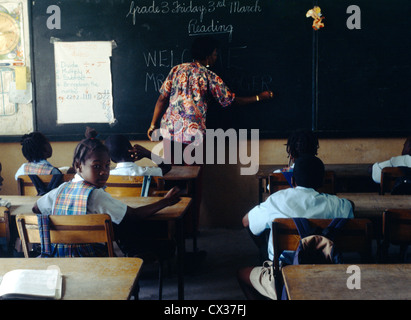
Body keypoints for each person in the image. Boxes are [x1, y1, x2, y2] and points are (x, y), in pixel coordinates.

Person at [32, 127, 181, 257]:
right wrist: (166, 201)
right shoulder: (95, 195)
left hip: (60, 258)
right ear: (78, 166)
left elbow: (36, 208)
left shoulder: (61, 189)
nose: (104, 172)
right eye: (96, 167)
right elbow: (134, 215)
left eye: (107, 166)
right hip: (92, 259)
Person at [237, 155, 354, 300]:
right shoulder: (339, 205)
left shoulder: (276, 200)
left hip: (285, 277)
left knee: (242, 274)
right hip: (329, 273)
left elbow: (246, 222)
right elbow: (350, 208)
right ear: (323, 181)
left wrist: (263, 246)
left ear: (292, 180)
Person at [147, 36, 274, 164]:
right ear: (207, 57)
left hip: (171, 129)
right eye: (214, 54)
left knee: (171, 172)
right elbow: (231, 101)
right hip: (193, 131)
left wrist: (153, 124)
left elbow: (162, 98)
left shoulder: (176, 70)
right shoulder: (209, 76)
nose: (216, 57)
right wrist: (259, 97)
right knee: (193, 175)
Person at [105, 134, 171, 176]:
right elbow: (167, 167)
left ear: (112, 160)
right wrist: (148, 154)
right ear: (133, 151)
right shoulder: (146, 173)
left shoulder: (108, 176)